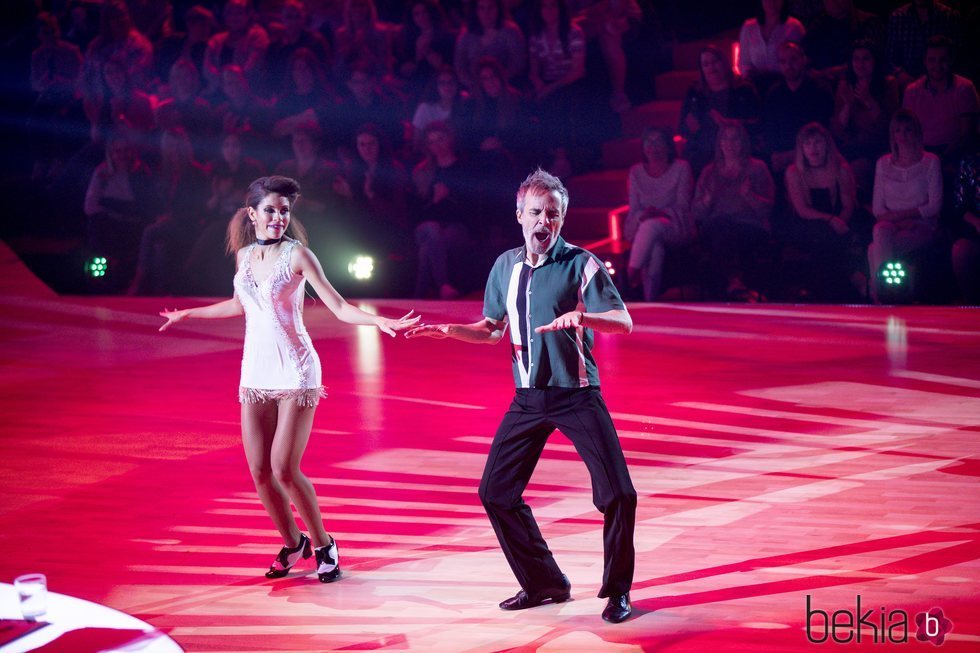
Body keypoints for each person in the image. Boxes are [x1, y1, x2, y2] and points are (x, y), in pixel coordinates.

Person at [159, 176, 419, 583]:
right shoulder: (244, 256)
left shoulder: (298, 256)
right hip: (256, 371)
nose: (279, 217)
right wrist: (188, 314)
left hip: (296, 370)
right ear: (252, 214)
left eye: (284, 210)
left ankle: (323, 544)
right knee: (259, 471)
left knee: (283, 468)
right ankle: (292, 541)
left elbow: (338, 305)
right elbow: (238, 304)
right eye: (270, 210)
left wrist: (378, 320)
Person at [406, 169, 637, 624]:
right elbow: (491, 331)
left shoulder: (581, 264)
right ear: (519, 215)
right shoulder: (504, 267)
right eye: (535, 212)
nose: (543, 221)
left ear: (562, 217)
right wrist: (451, 331)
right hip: (528, 398)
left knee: (618, 494)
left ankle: (618, 591)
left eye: (552, 213)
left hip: (577, 394)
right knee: (496, 492)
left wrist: (584, 319)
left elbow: (623, 321)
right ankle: (544, 582)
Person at [693, 121, 776, 300]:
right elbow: (696, 213)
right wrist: (707, 200)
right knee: (721, 229)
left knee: (727, 233)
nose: (730, 144)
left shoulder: (757, 168)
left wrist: (749, 196)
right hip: (716, 228)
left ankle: (730, 286)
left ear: (743, 142)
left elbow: (767, 210)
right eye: (725, 139)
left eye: (735, 139)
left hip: (750, 226)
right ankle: (735, 283)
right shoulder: (709, 171)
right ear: (719, 142)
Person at [868, 109, 942, 303]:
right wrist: (900, 222)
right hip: (892, 226)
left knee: (874, 249)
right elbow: (878, 210)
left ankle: (880, 295)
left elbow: (934, 207)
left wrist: (908, 217)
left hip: (922, 225)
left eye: (908, 130)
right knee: (880, 229)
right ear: (892, 134)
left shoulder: (931, 162)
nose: (902, 135)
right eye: (898, 131)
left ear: (916, 132)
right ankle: (891, 293)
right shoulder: (883, 164)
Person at [784, 122, 862, 300]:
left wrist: (839, 222)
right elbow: (802, 210)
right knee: (820, 235)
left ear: (827, 145)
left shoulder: (840, 169)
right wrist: (830, 220)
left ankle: (828, 294)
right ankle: (849, 279)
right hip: (808, 222)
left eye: (818, 142)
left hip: (840, 220)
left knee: (829, 238)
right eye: (808, 143)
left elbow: (848, 205)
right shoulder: (794, 172)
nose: (813, 148)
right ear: (801, 148)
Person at [625, 126, 695, 301]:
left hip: (676, 224)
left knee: (652, 225)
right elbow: (634, 209)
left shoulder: (681, 168)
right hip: (644, 226)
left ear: (667, 146)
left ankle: (626, 280)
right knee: (654, 245)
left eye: (658, 142)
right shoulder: (635, 172)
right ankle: (650, 302)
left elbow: (683, 205)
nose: (653, 147)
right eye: (649, 142)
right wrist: (644, 215)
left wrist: (658, 213)